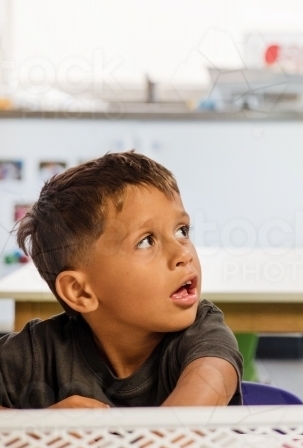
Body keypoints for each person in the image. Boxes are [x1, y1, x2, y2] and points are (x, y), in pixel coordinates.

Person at [0, 151, 242, 408]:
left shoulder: (204, 335)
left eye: (181, 230)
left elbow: (193, 409)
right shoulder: (38, 353)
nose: (183, 253)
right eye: (146, 241)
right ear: (80, 291)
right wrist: (39, 426)